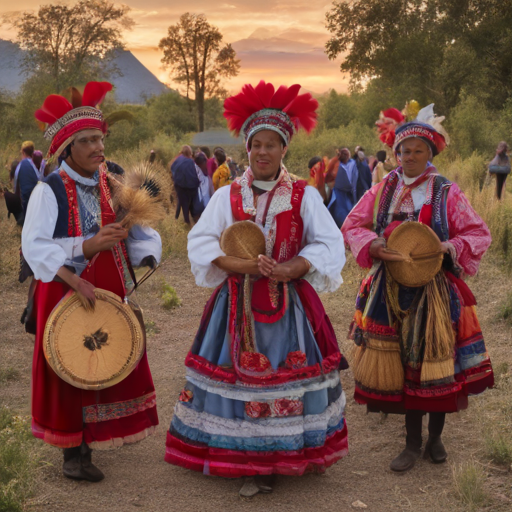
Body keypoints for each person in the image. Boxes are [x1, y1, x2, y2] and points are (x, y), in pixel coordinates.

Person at [165, 80, 349, 497]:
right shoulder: (227, 194)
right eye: (256, 145)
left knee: (281, 378)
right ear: (246, 148)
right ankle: (248, 457)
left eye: (271, 144)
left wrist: (293, 267)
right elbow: (202, 241)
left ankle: (279, 453)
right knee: (241, 379)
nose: (263, 152)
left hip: (290, 307)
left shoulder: (304, 195)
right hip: (236, 306)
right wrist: (244, 265)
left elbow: (328, 242)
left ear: (285, 149)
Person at [341, 105, 494, 473]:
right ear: (396, 154)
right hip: (390, 290)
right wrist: (373, 244)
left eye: (418, 151)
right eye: (404, 151)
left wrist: (447, 247)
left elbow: (477, 233)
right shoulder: (383, 189)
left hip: (434, 290)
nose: (410, 157)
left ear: (430, 154)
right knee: (404, 365)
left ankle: (436, 438)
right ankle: (411, 443)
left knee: (435, 363)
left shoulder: (446, 191)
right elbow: (352, 223)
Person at [22, 81, 161, 482]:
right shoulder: (49, 190)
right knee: (69, 361)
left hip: (108, 288)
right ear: (67, 149)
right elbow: (35, 246)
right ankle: (73, 453)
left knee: (106, 356)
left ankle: (93, 435)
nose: (98, 148)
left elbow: (134, 227)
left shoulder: (109, 181)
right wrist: (85, 251)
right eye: (87, 141)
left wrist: (143, 250)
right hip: (64, 289)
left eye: (100, 138)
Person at [171, 145, 202, 224]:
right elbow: (195, 174)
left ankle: (186, 221)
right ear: (190, 153)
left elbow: (172, 168)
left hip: (180, 186)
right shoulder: (191, 162)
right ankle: (196, 220)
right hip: (191, 187)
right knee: (193, 203)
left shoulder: (178, 160)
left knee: (184, 204)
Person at [327, 147, 358, 228]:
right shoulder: (342, 167)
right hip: (342, 196)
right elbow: (350, 184)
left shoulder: (340, 165)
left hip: (340, 195)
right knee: (342, 217)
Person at [14, 141, 44, 224]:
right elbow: (40, 178)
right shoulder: (39, 163)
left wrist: (17, 197)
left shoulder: (20, 165)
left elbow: (16, 183)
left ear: (23, 152)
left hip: (26, 198)